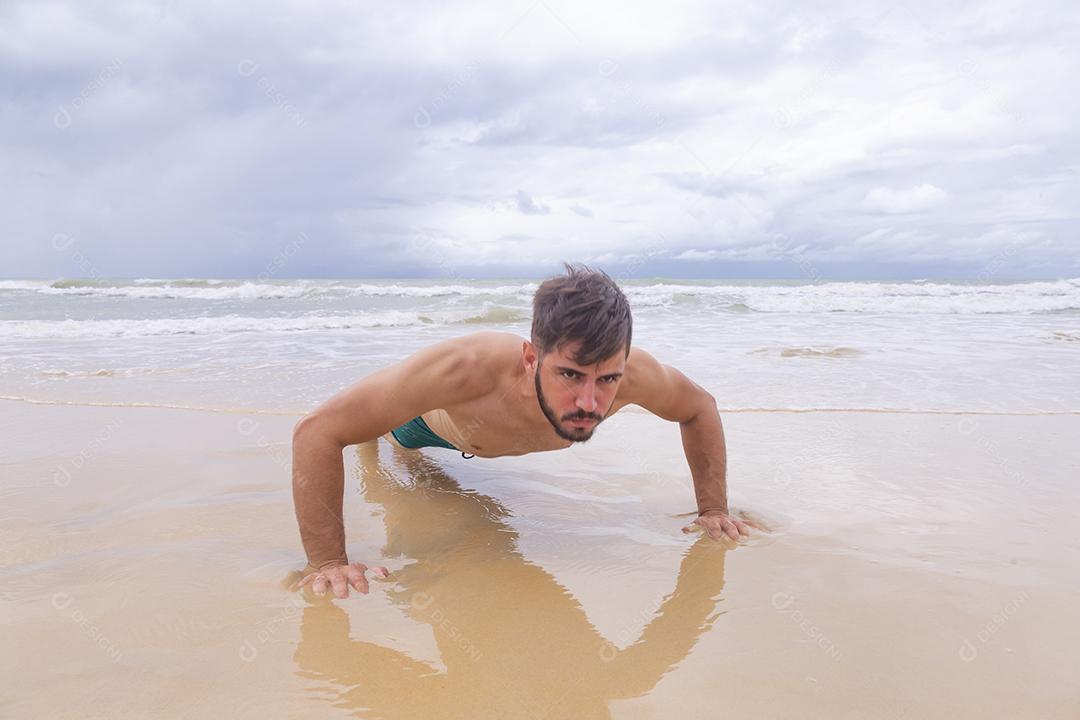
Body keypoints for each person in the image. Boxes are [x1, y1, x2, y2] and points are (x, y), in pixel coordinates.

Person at [292, 263, 755, 598]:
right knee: (381, 437)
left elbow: (699, 408)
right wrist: (327, 562)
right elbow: (317, 432)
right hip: (424, 427)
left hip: (483, 439)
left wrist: (713, 508)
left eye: (607, 379)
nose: (590, 403)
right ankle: (377, 435)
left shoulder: (636, 375)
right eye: (570, 375)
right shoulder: (464, 369)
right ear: (531, 358)